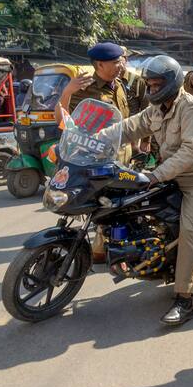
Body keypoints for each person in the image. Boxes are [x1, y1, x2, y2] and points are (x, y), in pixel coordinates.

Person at [60, 55, 193, 325]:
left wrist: (156, 174)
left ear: (172, 83)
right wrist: (87, 142)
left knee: (190, 229)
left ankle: (184, 298)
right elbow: (127, 128)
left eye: (157, 85)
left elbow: (192, 150)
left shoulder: (192, 109)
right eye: (150, 84)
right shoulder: (156, 108)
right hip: (167, 172)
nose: (152, 89)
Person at [56, 42, 132, 262]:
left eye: (121, 61)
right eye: (116, 62)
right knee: (99, 202)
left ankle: (107, 249)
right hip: (95, 155)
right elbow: (63, 118)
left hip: (121, 153)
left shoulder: (119, 84)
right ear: (100, 64)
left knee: (117, 202)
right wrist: (67, 92)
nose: (121, 65)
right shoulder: (85, 85)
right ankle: (96, 251)